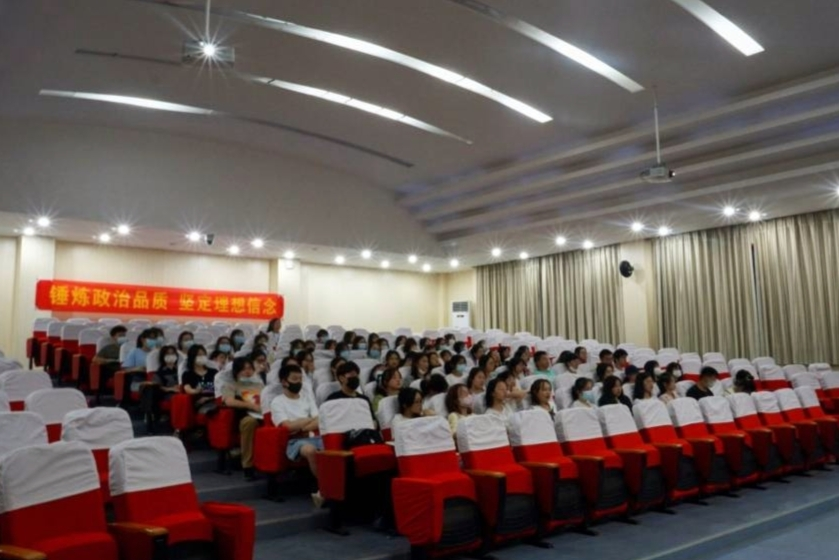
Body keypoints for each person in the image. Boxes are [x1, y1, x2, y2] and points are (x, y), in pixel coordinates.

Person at [271, 364, 323, 506]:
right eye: (295, 379)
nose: (299, 382)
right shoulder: (277, 401)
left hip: (313, 436)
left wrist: (301, 425)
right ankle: (326, 487)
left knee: (334, 444)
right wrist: (308, 421)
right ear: (284, 382)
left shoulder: (307, 397)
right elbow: (287, 426)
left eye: (300, 379)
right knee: (310, 450)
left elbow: (319, 419)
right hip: (294, 441)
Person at [220, 357, 264, 481]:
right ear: (237, 371)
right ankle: (248, 466)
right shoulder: (231, 384)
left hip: (264, 413)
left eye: (250, 368)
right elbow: (228, 401)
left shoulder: (259, 384)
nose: (247, 371)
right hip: (245, 416)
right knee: (249, 422)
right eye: (243, 369)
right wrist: (250, 406)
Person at [140, 344, 181, 433]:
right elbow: (156, 386)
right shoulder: (160, 372)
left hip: (183, 392)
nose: (171, 356)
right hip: (166, 394)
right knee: (150, 390)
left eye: (173, 353)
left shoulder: (181, 370)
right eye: (168, 354)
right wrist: (170, 389)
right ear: (163, 357)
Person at [120, 329, 157, 403]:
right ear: (143, 339)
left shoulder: (156, 353)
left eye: (154, 339)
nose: (152, 341)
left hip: (155, 380)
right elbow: (124, 369)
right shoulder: (135, 352)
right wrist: (137, 368)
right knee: (149, 389)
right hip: (139, 380)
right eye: (150, 338)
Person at [182, 344, 219, 414]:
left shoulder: (213, 372)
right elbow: (187, 389)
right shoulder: (187, 374)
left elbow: (220, 388)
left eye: (204, 354)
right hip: (200, 403)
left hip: (214, 399)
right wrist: (196, 391)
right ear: (192, 357)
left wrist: (210, 398)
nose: (202, 357)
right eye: (199, 355)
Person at [92, 325, 128, 391]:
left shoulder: (130, 347)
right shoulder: (108, 348)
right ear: (113, 337)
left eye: (124, 335)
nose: (123, 337)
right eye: (120, 335)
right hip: (113, 367)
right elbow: (95, 359)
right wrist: (109, 360)